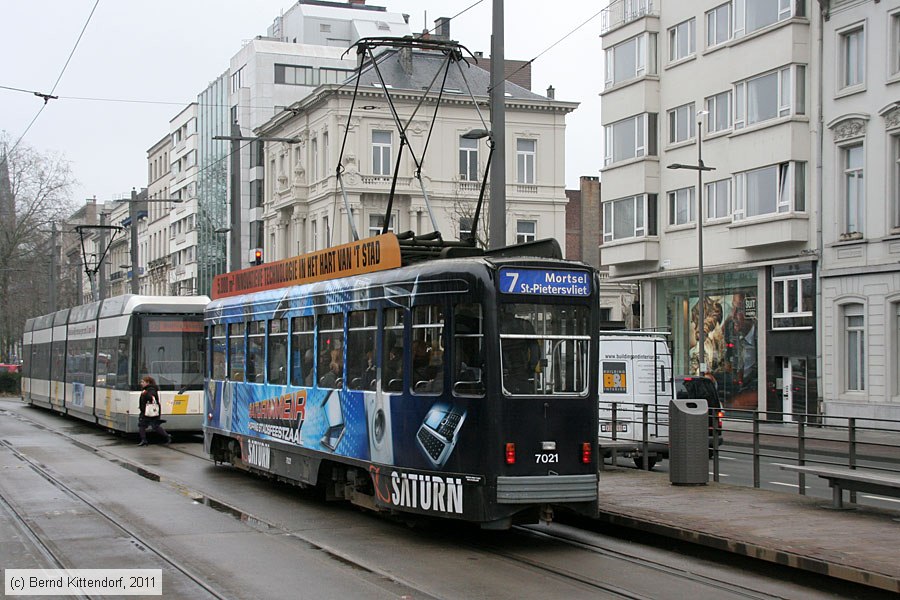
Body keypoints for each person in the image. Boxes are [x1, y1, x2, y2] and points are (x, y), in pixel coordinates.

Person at [138, 375, 171, 446]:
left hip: (150, 411)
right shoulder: (147, 389)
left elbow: (151, 398)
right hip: (146, 411)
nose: (141, 383)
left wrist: (145, 394)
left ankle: (167, 436)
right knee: (142, 425)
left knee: (154, 426)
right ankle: (144, 440)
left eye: (143, 382)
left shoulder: (151, 389)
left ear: (148, 382)